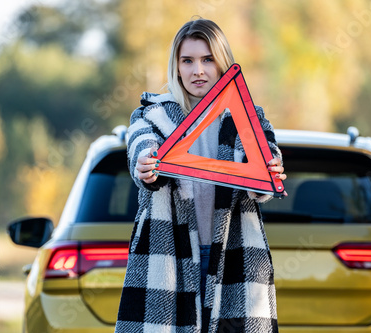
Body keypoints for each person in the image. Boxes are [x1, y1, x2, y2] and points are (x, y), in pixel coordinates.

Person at [115, 18, 286, 333]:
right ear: (176, 67)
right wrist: (147, 166)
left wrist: (268, 166)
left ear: (222, 64)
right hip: (169, 255)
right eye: (188, 60)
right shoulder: (151, 115)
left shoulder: (248, 117)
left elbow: (263, 160)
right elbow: (141, 151)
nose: (198, 71)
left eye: (208, 59)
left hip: (235, 254)